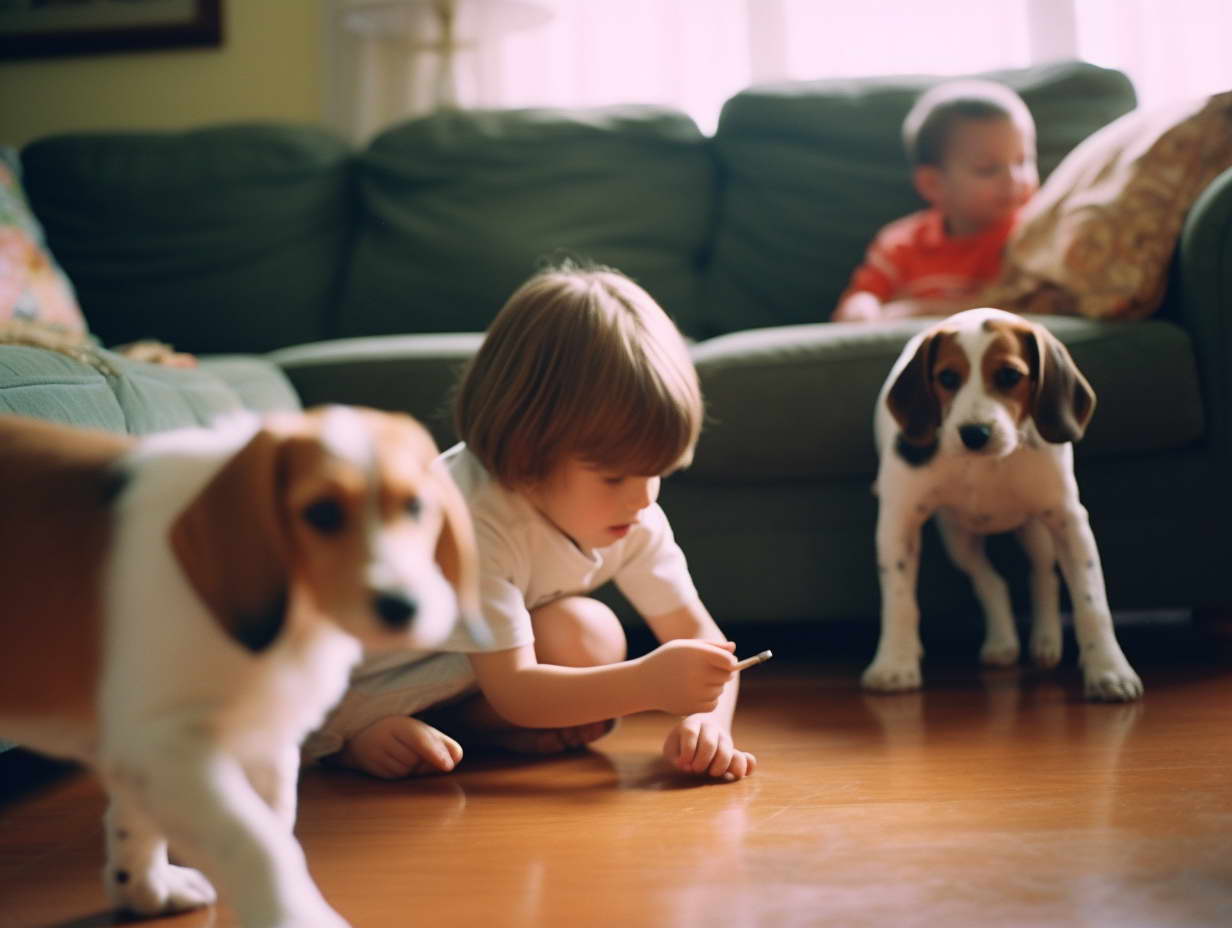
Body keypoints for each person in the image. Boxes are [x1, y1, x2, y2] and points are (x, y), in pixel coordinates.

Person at [304, 264, 757, 782]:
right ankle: (352, 738)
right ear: (525, 458)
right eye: (612, 477)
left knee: (589, 637)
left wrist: (708, 721)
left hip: (466, 667)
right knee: (347, 710)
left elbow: (704, 639)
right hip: (360, 673)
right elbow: (517, 688)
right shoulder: (471, 518)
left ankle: (461, 727)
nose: (642, 498)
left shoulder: (633, 509)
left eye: (657, 471)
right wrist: (649, 686)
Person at [832, 80, 1038, 323]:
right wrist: (863, 310)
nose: (1013, 179)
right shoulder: (899, 245)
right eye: (987, 169)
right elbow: (860, 301)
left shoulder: (1035, 235)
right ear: (933, 184)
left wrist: (921, 311)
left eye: (1022, 161)